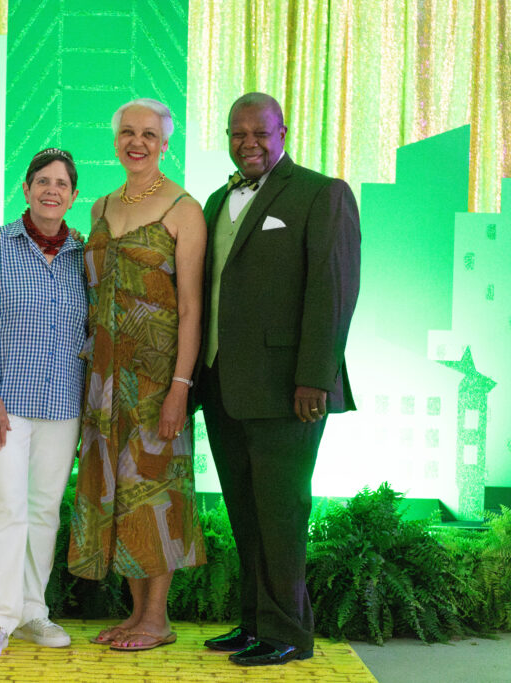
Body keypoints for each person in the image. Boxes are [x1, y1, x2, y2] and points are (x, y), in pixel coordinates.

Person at [197, 92, 361, 666]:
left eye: (260, 133)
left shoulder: (322, 193)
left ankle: (289, 633)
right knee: (244, 513)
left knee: (282, 514)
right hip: (223, 386)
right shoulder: (219, 200)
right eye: (238, 134)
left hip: (289, 389)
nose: (249, 143)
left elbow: (333, 291)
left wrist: (314, 377)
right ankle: (254, 624)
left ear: (283, 132)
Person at [68, 98, 207, 652]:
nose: (137, 142)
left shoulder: (183, 208)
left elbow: (193, 307)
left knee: (157, 494)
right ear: (116, 139)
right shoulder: (99, 206)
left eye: (149, 134)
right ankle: (135, 614)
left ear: (165, 143)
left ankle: (158, 617)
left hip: (156, 382)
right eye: (128, 132)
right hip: (104, 380)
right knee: (118, 493)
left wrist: (181, 387)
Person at [0, 148, 87, 659]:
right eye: (42, 182)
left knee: (44, 509)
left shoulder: (83, 253)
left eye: (61, 184)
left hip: (62, 404)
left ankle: (34, 610)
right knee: (6, 505)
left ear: (74, 196)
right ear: (26, 189)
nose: (51, 190)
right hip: (3, 401)